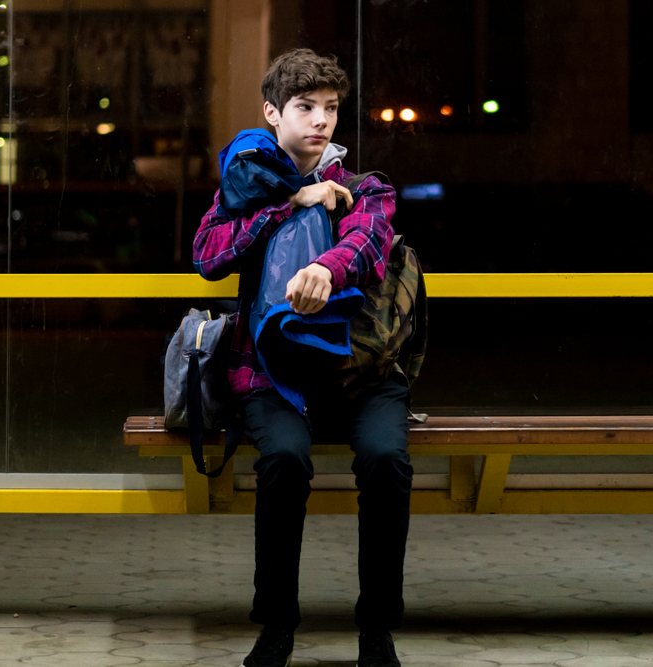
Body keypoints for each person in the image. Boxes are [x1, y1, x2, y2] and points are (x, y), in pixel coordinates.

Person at [193, 48, 410, 667]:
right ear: (272, 113)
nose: (320, 121)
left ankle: (376, 629)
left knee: (386, 461)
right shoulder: (249, 187)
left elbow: (366, 245)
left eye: (331, 109)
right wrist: (287, 206)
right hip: (270, 372)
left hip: (360, 370)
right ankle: (278, 624)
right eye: (305, 108)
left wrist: (321, 265)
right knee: (284, 460)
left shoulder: (364, 187)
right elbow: (207, 256)